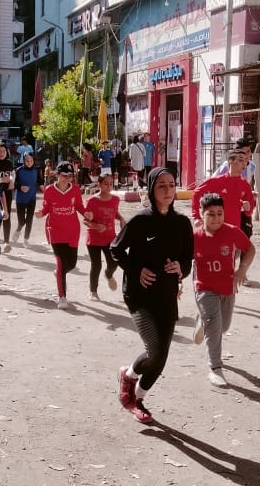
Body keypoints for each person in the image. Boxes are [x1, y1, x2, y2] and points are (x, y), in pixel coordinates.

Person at [110, 167, 194, 424]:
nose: (168, 190)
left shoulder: (183, 224)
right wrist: (136, 270)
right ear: (151, 189)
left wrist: (180, 269)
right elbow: (115, 249)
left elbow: (187, 261)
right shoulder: (140, 221)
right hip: (139, 295)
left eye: (171, 185)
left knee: (161, 356)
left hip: (167, 294)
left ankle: (138, 399)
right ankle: (128, 376)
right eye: (161, 186)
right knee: (154, 350)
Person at [192, 193, 256, 388]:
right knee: (214, 325)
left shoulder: (232, 231)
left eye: (219, 213)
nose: (216, 218)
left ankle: (202, 321)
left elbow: (250, 249)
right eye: (211, 214)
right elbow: (182, 261)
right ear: (201, 214)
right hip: (203, 287)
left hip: (227, 287)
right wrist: (176, 282)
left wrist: (242, 269)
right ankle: (215, 367)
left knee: (223, 327)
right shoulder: (194, 237)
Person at [37, 160, 87, 309]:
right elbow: (46, 208)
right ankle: (62, 297)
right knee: (60, 261)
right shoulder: (49, 190)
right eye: (64, 175)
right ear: (57, 175)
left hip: (72, 231)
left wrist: (87, 214)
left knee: (71, 264)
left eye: (70, 176)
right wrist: (40, 213)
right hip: (55, 230)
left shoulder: (75, 190)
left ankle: (59, 273)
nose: (67, 178)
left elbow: (79, 206)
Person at [85, 170, 125, 300]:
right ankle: (93, 292)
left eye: (111, 183)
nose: (108, 186)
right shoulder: (91, 200)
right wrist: (95, 226)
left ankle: (108, 275)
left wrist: (121, 219)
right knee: (96, 265)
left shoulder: (116, 199)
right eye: (106, 183)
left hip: (109, 237)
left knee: (113, 263)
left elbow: (114, 213)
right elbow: (85, 220)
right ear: (99, 185)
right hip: (94, 238)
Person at [192, 151, 256, 231]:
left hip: (234, 229)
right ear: (231, 162)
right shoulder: (217, 181)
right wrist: (197, 217)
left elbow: (249, 212)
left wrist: (248, 208)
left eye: (246, 161)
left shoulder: (245, 185)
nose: (244, 163)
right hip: (215, 228)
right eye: (241, 160)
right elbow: (196, 193)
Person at [0, 143, 16, 252]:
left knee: (7, 215)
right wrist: (0, 180)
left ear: (7, 152)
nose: (1, 153)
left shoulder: (9, 163)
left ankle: (6, 242)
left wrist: (12, 181)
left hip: (7, 192)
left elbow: (12, 173)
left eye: (3, 151)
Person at [12, 152, 39, 245]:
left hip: (32, 198)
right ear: (24, 161)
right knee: (22, 221)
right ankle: (18, 230)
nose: (29, 162)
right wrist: (20, 187)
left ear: (33, 161)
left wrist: (43, 187)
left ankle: (26, 239)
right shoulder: (18, 170)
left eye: (31, 160)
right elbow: (13, 184)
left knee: (29, 220)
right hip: (20, 199)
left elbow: (40, 181)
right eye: (27, 160)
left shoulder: (36, 170)